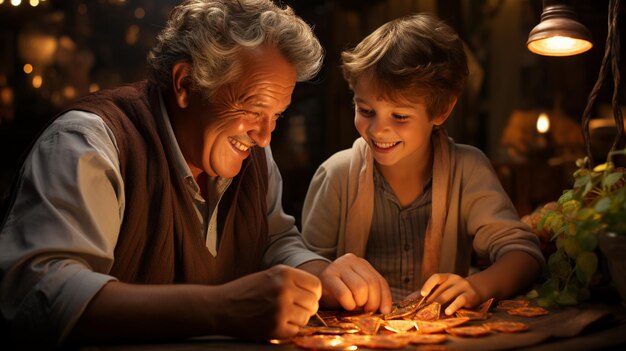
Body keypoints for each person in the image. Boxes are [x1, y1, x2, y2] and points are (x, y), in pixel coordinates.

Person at [0, 0, 392, 347]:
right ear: (186, 84)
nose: (264, 134)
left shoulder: (251, 147)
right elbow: (40, 294)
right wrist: (221, 309)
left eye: (276, 116)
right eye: (253, 109)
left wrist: (320, 275)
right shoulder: (89, 142)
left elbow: (271, 241)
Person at [301, 13, 545, 316]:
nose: (378, 130)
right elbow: (305, 269)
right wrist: (329, 281)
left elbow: (523, 254)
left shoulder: (468, 170)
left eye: (400, 116)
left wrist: (476, 287)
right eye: (366, 110)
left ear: (441, 110)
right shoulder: (337, 174)